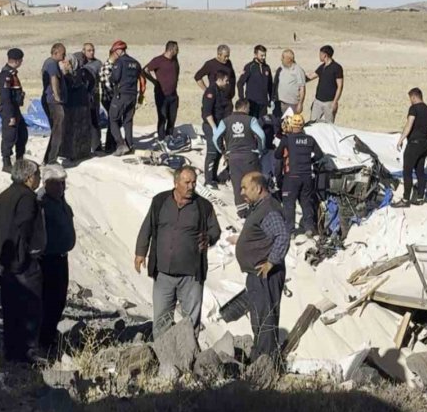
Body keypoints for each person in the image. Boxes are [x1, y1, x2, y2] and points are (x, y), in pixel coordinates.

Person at [134, 166, 221, 339]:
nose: (191, 186)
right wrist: (140, 252)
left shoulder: (203, 206)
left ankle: (188, 359)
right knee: (161, 320)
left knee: (190, 322)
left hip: (191, 276)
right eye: (187, 182)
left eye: (194, 182)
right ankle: (161, 357)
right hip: (163, 274)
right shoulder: (160, 201)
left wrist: (209, 238)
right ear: (175, 183)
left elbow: (215, 230)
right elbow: (147, 227)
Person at [0, 159, 47, 365]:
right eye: (38, 174)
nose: (39, 178)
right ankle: (27, 352)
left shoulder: (6, 194)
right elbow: (25, 227)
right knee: (30, 305)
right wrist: (27, 251)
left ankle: (11, 350)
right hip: (20, 262)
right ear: (29, 178)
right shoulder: (27, 197)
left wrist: (1, 236)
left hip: (2, 259)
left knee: (10, 306)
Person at [227, 172, 288, 364]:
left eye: (245, 187)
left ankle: (264, 362)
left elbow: (282, 235)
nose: (242, 191)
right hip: (258, 275)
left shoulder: (268, 209)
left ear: (258, 188)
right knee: (259, 317)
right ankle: (261, 358)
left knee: (265, 319)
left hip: (264, 274)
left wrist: (271, 262)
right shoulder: (260, 208)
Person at [37, 164, 75, 353]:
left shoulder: (60, 200)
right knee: (48, 300)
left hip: (61, 257)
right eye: (58, 183)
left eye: (63, 183)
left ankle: (49, 335)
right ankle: (44, 339)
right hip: (47, 259)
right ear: (47, 183)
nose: (62, 187)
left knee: (58, 300)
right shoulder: (41, 201)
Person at [213, 99, 265, 218]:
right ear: (245, 107)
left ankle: (242, 211)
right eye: (249, 108)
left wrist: (224, 151)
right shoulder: (251, 120)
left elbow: (215, 138)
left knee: (238, 184)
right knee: (253, 181)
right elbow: (261, 135)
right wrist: (259, 150)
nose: (249, 110)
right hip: (250, 157)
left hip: (234, 158)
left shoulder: (225, 121)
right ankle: (255, 206)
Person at [274, 114, 323, 236]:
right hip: (306, 176)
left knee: (289, 204)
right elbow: (319, 155)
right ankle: (309, 228)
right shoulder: (310, 139)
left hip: (291, 177)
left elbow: (277, 155)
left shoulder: (287, 139)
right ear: (302, 125)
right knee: (306, 202)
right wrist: (310, 161)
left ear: (292, 125)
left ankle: (290, 231)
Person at [393, 88, 427, 208]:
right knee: (420, 171)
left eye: (410, 99)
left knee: (407, 171)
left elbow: (409, 124)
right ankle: (420, 197)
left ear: (414, 97)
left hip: (414, 144)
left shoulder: (414, 108)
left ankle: (405, 199)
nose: (410, 101)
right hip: (424, 144)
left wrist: (401, 139)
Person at [108, 40, 147, 156]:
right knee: (128, 121)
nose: (114, 54)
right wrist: (141, 95)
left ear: (119, 51)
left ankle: (120, 144)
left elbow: (114, 78)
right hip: (133, 95)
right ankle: (130, 145)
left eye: (114, 52)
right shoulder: (135, 63)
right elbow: (143, 80)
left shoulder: (119, 62)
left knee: (113, 118)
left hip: (121, 95)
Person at [0, 48, 27, 173]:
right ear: (17, 60)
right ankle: (7, 163)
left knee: (22, 135)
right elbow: (6, 98)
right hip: (9, 110)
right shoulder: (6, 75)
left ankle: (19, 161)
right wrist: (10, 116)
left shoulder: (12, 74)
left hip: (15, 109)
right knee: (9, 136)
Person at [201, 71, 233, 189]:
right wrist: (214, 129)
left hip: (220, 126)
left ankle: (214, 177)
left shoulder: (223, 92)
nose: (228, 83)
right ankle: (208, 180)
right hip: (211, 126)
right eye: (226, 80)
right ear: (219, 80)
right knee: (212, 152)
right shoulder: (210, 92)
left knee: (219, 152)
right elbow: (207, 113)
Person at [145, 41, 181, 141]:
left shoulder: (175, 60)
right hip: (162, 95)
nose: (178, 51)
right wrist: (154, 81)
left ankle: (169, 137)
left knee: (172, 118)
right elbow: (145, 70)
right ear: (171, 49)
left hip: (173, 94)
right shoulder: (158, 60)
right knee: (162, 117)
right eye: (176, 49)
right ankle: (161, 139)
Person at [42, 43, 68, 165]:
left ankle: (48, 158)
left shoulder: (49, 63)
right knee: (58, 130)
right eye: (63, 54)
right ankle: (52, 160)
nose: (64, 56)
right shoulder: (52, 64)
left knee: (55, 130)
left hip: (50, 100)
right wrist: (57, 96)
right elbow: (53, 79)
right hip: (53, 102)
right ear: (56, 52)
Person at [305, 45, 343, 123]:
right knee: (312, 123)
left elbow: (340, 86)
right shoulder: (322, 67)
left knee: (329, 126)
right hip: (318, 101)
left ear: (325, 55)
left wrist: (335, 102)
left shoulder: (337, 68)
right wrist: (299, 79)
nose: (319, 56)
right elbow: (311, 76)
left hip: (329, 103)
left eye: (320, 54)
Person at [78, 43, 104, 153]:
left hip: (93, 96)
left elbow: (102, 78)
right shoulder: (79, 63)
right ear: (83, 51)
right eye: (89, 50)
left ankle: (96, 145)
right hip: (81, 97)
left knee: (95, 120)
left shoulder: (98, 63)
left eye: (93, 50)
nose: (92, 52)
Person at [237, 45, 273, 119]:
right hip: (251, 102)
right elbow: (240, 83)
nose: (263, 57)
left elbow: (270, 85)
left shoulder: (267, 68)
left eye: (265, 55)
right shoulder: (249, 67)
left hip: (263, 103)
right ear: (255, 55)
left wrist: (271, 99)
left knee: (262, 124)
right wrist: (242, 99)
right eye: (261, 55)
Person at [273, 49, 307, 117]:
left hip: (292, 104)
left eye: (283, 57)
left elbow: (302, 88)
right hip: (279, 103)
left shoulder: (298, 70)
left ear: (288, 59)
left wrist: (300, 104)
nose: (281, 59)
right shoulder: (280, 69)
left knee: (290, 125)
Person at [99, 47, 119, 153]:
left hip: (111, 98)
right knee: (113, 121)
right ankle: (109, 145)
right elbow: (107, 85)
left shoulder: (114, 66)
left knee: (114, 121)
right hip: (108, 98)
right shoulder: (107, 66)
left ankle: (111, 143)